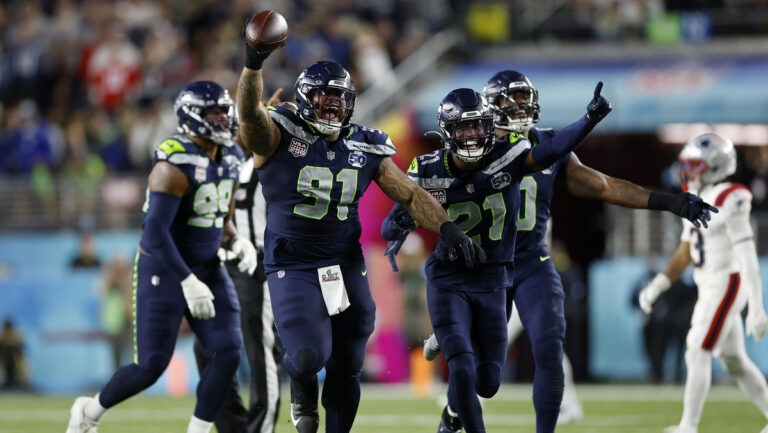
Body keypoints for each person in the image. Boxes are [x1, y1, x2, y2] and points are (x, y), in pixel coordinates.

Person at [400, 70, 716, 433]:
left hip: (532, 261)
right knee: (480, 370)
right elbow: (427, 194)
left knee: (549, 345)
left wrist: (672, 203)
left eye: (524, 99)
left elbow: (603, 186)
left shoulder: (550, 144)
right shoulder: (471, 151)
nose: (520, 107)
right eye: (510, 100)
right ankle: (454, 407)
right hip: (481, 267)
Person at [236, 18, 484, 433]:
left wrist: (448, 229)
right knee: (307, 358)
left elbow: (407, 193)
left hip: (344, 262)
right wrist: (253, 64)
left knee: (349, 362)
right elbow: (248, 114)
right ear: (303, 99)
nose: (333, 105)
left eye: (339, 98)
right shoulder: (279, 133)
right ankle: (300, 386)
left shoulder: (365, 144)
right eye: (323, 97)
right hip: (292, 262)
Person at [383, 84, 612, 433]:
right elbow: (393, 220)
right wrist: (401, 220)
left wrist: (589, 120)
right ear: (447, 130)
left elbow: (551, 151)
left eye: (477, 126)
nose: (472, 134)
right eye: (463, 127)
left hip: (493, 280)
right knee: (461, 364)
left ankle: (445, 364)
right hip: (449, 278)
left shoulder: (510, 154)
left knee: (487, 382)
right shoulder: (427, 167)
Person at [65, 81, 258, 433]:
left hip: (207, 267)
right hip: (164, 268)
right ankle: (88, 412)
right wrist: (188, 282)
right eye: (211, 113)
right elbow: (154, 234)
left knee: (228, 350)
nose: (221, 119)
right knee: (150, 367)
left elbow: (220, 219)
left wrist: (236, 241)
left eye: (223, 111)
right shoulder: (173, 162)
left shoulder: (232, 156)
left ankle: (196, 430)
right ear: (191, 118)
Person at [639, 132, 768, 433]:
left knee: (697, 348)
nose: (687, 172)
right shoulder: (695, 200)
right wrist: (659, 284)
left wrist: (757, 305)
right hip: (708, 282)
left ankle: (689, 426)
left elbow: (747, 253)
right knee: (733, 359)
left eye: (694, 165)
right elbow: (687, 249)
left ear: (716, 165)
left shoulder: (730, 195)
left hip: (727, 281)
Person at [192, 135, 282, 433]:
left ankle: (260, 429)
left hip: (259, 264)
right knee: (206, 346)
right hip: (225, 262)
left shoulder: (282, 166)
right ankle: (234, 427)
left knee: (261, 349)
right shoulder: (234, 164)